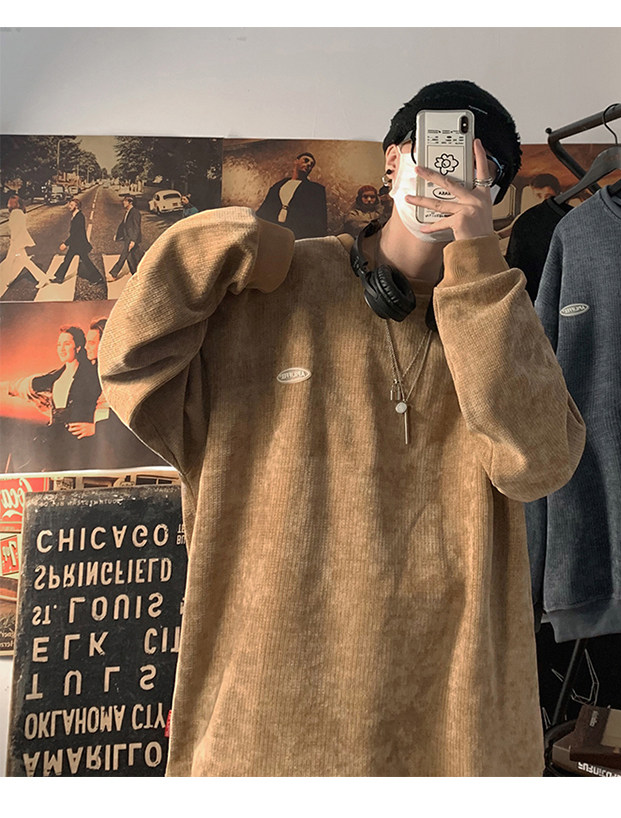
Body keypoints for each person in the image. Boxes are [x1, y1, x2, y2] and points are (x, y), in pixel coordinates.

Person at [99, 80, 585, 777]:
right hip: (266, 724)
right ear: (392, 160)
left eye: (480, 168)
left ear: (494, 193)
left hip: (452, 727)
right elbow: (130, 366)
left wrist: (477, 257)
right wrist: (232, 241)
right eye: (434, 150)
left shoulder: (501, 315)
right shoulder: (276, 285)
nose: (450, 174)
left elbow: (538, 463)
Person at [9, 324, 101, 471]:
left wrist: (97, 427)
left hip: (78, 445)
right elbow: (29, 386)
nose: (61, 349)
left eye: (67, 344)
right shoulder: (55, 376)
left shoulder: (92, 375)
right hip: (54, 442)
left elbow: (102, 406)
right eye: (59, 345)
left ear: (78, 347)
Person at [256, 151, 327, 238]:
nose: (309, 164)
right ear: (296, 161)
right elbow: (264, 210)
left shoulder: (315, 190)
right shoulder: (277, 186)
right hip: (272, 233)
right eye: (306, 160)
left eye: (311, 164)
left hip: (296, 235)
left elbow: (320, 221)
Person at [0, 195, 54, 295]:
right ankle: (9, 279)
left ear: (13, 204)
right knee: (14, 261)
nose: (7, 204)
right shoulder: (20, 212)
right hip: (18, 241)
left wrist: (13, 241)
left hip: (16, 242)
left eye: (9, 203)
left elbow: (16, 229)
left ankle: (42, 278)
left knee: (19, 261)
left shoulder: (15, 213)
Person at [49, 198, 104, 285]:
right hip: (75, 244)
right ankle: (59, 277)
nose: (69, 206)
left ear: (77, 206)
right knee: (67, 260)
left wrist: (65, 243)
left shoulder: (79, 217)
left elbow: (75, 233)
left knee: (86, 261)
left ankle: (97, 278)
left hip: (79, 244)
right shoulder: (75, 215)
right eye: (69, 205)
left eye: (71, 205)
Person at [108, 194, 143, 281]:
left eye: (125, 201)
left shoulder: (135, 213)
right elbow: (123, 225)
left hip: (131, 238)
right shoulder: (128, 212)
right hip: (128, 237)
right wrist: (118, 235)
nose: (123, 202)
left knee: (123, 256)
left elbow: (136, 227)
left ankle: (113, 274)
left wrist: (133, 241)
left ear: (130, 202)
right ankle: (137, 273)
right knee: (134, 256)